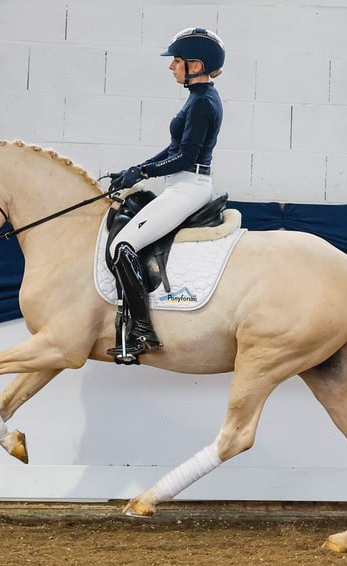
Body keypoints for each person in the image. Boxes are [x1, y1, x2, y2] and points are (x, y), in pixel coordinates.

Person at [106, 27, 225, 360]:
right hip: (181, 183)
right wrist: (136, 168)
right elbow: (173, 149)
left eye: (176, 62)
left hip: (190, 186)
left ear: (196, 65)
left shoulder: (203, 103)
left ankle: (142, 331)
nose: (171, 67)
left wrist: (142, 173)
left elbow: (185, 157)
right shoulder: (197, 98)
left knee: (123, 245)